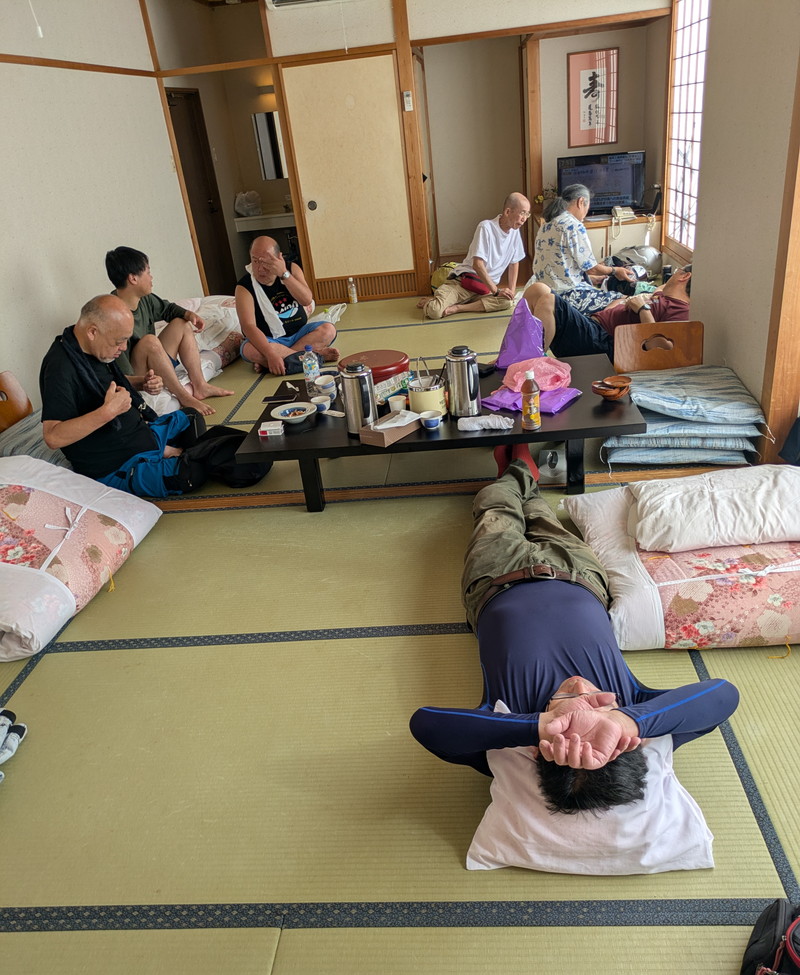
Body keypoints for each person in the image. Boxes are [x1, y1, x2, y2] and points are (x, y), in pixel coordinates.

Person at [409, 460, 738, 817]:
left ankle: (516, 462)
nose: (581, 690)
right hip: (578, 571)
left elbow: (426, 724)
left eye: (570, 725)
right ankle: (524, 467)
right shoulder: (637, 706)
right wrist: (626, 720)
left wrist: (541, 726)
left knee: (494, 502)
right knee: (539, 509)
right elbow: (723, 695)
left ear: (538, 751)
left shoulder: (505, 730)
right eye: (599, 710)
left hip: (495, 575)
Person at [39, 295, 261, 498]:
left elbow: (106, 384)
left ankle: (178, 453)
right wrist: (107, 412)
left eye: (126, 340)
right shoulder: (60, 368)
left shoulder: (89, 348)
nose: (123, 348)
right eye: (118, 341)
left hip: (140, 436)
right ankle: (183, 457)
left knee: (190, 417)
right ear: (92, 331)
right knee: (195, 473)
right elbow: (53, 436)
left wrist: (141, 382)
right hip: (119, 464)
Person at [106, 246, 234, 417]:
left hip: (153, 362)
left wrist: (189, 315)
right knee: (149, 341)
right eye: (148, 272)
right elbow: (121, 375)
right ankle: (184, 397)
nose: (151, 277)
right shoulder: (114, 315)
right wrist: (146, 381)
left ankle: (200, 385)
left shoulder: (145, 299)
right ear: (133, 278)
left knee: (181, 323)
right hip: (138, 375)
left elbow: (168, 310)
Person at [523, 264, 693, 360]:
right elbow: (661, 287)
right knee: (537, 290)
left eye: (677, 271)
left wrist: (643, 309)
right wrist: (619, 304)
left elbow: (666, 349)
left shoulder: (681, 309)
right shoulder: (663, 295)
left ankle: (530, 367)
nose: (671, 275)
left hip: (604, 344)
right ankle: (516, 354)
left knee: (548, 301)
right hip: (593, 326)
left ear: (684, 277)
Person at [235, 236, 339, 376]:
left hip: (300, 335)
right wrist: (270, 353)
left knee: (328, 330)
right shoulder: (244, 287)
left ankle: (279, 361)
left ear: (279, 258)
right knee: (249, 349)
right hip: (269, 340)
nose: (260, 268)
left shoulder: (291, 269)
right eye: (255, 261)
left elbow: (306, 300)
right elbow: (248, 326)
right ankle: (315, 356)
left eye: (266, 262)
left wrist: (284, 274)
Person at [526, 183, 635, 315]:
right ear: (581, 202)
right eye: (587, 207)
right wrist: (615, 270)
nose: (586, 213)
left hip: (542, 292)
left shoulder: (547, 225)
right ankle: (595, 323)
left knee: (597, 288)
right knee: (624, 300)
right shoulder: (573, 225)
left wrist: (592, 279)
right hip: (564, 297)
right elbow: (591, 268)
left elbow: (562, 267)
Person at [418, 193, 531, 320]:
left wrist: (511, 292)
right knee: (434, 312)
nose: (524, 218)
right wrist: (496, 291)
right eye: (522, 213)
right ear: (507, 212)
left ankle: (458, 308)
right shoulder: (486, 227)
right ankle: (434, 301)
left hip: (485, 289)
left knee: (507, 302)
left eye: (527, 214)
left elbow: (514, 262)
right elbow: (477, 265)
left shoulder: (515, 232)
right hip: (465, 283)